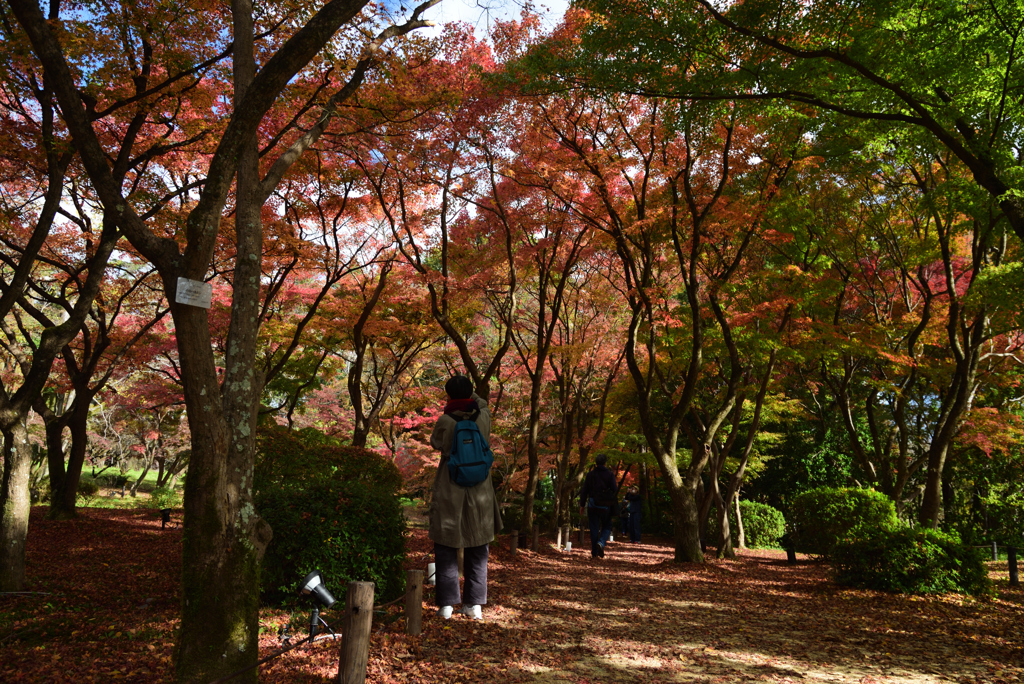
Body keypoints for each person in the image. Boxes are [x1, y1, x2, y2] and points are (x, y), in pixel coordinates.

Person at [428, 375, 502, 620]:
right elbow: (483, 403)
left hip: (451, 487)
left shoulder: (445, 420)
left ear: (449, 395)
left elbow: (435, 443)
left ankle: (447, 605)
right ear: (470, 394)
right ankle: (474, 605)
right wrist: (474, 397)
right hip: (480, 490)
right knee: (478, 546)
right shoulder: (483, 418)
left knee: (446, 545)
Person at [578, 453, 618, 558]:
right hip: (605, 505)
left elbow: (584, 490)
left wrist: (582, 505)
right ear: (605, 463)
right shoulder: (610, 474)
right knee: (607, 525)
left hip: (592, 504)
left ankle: (594, 552)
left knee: (594, 528)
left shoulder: (590, 474)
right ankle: (601, 542)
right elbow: (614, 489)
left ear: (596, 463)